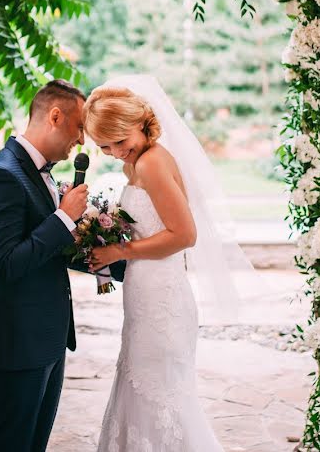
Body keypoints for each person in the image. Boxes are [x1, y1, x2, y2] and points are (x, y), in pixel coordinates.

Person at [0, 79, 125, 452]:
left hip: (49, 338)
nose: (81, 142)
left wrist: (121, 261)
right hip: (19, 340)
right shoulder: (2, 176)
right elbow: (7, 262)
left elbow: (49, 250)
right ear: (55, 116)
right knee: (9, 444)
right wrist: (62, 218)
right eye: (77, 129)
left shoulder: (42, 173)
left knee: (34, 444)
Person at [84, 75, 228, 451]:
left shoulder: (151, 163)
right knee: (140, 382)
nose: (116, 152)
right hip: (144, 292)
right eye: (105, 146)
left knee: (159, 391)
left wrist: (119, 251)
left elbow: (184, 235)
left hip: (162, 300)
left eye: (120, 141)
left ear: (139, 124)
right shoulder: (137, 162)